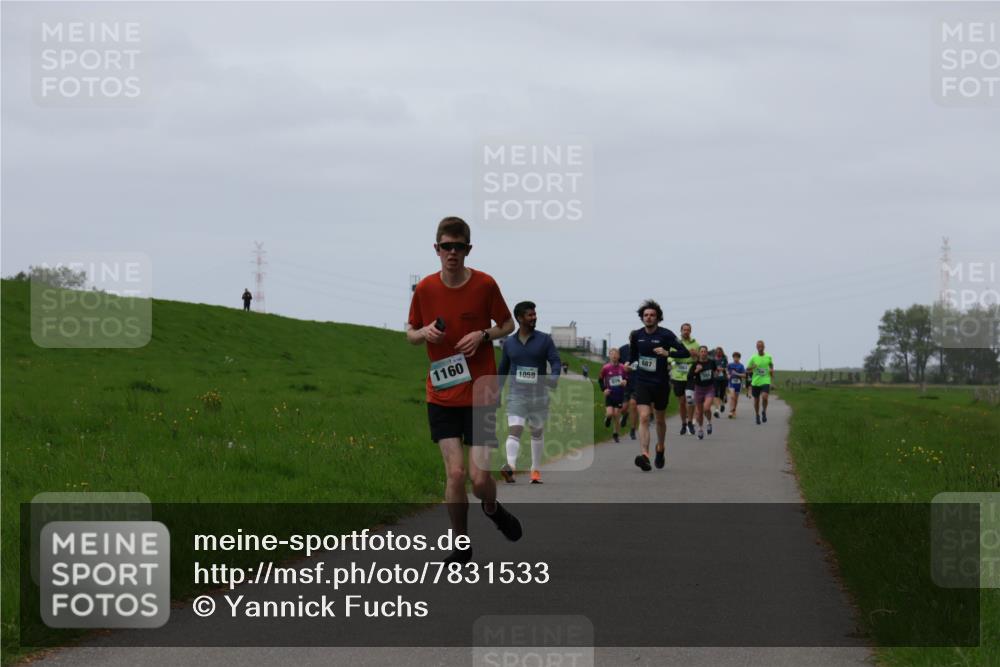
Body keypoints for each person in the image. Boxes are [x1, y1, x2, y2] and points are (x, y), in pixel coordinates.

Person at [406, 216, 520, 563]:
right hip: (442, 394)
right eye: (446, 246)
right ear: (436, 249)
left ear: (468, 250)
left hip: (481, 393)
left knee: (479, 479)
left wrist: (483, 334)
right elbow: (410, 333)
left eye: (458, 247)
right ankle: (460, 544)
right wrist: (424, 332)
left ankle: (491, 506)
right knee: (455, 474)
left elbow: (508, 324)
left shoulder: (485, 284)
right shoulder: (425, 289)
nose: (452, 253)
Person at [497, 301, 561, 484]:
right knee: (515, 429)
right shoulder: (509, 343)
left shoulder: (545, 340)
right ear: (519, 318)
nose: (534, 317)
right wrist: (497, 391)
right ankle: (510, 467)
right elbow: (503, 369)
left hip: (539, 395)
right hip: (516, 394)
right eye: (530, 315)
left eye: (534, 314)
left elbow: (555, 361)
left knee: (536, 432)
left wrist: (554, 377)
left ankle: (535, 470)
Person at [628, 300, 691, 471]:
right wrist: (628, 364)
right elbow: (633, 356)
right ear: (642, 317)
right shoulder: (637, 335)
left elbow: (685, 352)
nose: (648, 317)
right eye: (646, 315)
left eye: (652, 315)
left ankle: (660, 448)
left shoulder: (666, 335)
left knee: (660, 420)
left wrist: (667, 352)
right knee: (644, 417)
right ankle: (645, 455)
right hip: (642, 382)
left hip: (661, 383)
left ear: (657, 318)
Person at [668, 323, 700, 435]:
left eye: (688, 330)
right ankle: (683, 423)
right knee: (681, 402)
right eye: (684, 330)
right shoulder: (675, 343)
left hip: (690, 374)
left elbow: (700, 358)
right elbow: (669, 356)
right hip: (677, 374)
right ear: (681, 331)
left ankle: (690, 422)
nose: (686, 332)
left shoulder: (695, 344)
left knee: (690, 399)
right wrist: (672, 363)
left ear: (690, 331)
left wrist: (696, 355)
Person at [687, 346, 718, 440]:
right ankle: (700, 429)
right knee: (699, 412)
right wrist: (697, 370)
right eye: (702, 351)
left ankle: (709, 422)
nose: (703, 353)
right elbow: (689, 376)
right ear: (699, 353)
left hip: (709, 388)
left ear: (707, 353)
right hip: (698, 389)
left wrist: (714, 378)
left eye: (705, 351)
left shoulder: (711, 362)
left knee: (706, 408)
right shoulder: (695, 364)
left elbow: (715, 371)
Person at [599, 348, 629, 443]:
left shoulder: (622, 367)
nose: (614, 356)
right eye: (612, 354)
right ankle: (607, 418)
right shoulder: (605, 368)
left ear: (619, 356)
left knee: (616, 415)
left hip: (619, 395)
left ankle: (615, 433)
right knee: (610, 413)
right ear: (609, 356)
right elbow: (600, 380)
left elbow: (627, 378)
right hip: (610, 395)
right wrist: (604, 389)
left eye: (616, 354)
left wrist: (625, 381)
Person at [746, 340, 775, 425]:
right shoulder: (753, 357)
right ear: (756, 347)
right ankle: (757, 415)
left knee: (765, 397)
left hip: (765, 380)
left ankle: (764, 412)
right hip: (756, 381)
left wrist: (771, 372)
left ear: (764, 347)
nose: (760, 348)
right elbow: (747, 369)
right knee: (756, 400)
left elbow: (771, 365)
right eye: (758, 346)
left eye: (761, 346)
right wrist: (753, 366)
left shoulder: (768, 357)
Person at [617, 342, 638, 439]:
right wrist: (624, 368)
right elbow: (616, 364)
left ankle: (633, 430)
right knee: (623, 408)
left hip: (638, 382)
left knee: (633, 404)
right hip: (625, 382)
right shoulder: (622, 349)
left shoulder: (642, 349)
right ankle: (625, 415)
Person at [727, 352, 747, 418]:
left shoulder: (741, 366)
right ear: (733, 357)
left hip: (738, 384)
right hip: (731, 383)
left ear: (739, 358)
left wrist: (736, 373)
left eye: (737, 357)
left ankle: (734, 410)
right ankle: (730, 411)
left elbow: (744, 375)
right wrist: (728, 375)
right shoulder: (730, 365)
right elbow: (727, 372)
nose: (736, 358)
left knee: (735, 399)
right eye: (734, 357)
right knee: (732, 397)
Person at [711, 346, 729, 418]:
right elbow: (711, 368)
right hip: (715, 379)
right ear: (715, 352)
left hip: (723, 379)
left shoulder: (724, 359)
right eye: (717, 351)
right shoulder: (713, 360)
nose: (718, 353)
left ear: (722, 352)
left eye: (719, 351)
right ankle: (716, 410)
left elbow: (726, 367)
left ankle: (722, 404)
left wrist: (722, 369)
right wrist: (715, 370)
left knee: (722, 394)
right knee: (715, 394)